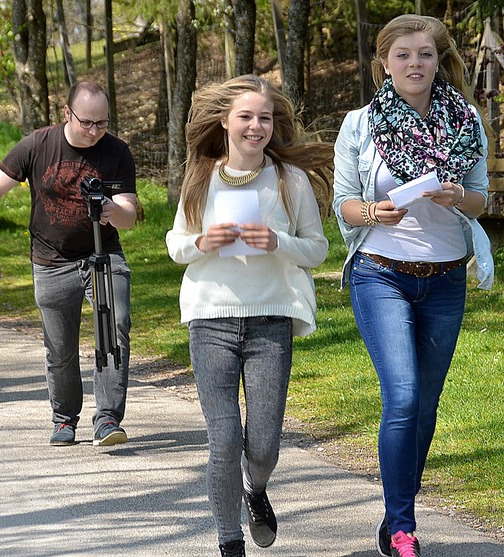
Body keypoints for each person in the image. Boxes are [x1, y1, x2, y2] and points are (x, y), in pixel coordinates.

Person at [332, 14, 494, 557]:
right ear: (385, 63)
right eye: (402, 55)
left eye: (424, 54)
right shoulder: (361, 124)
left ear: (437, 59)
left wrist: (457, 198)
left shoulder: (466, 120)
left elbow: (481, 199)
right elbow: (345, 205)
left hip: (446, 279)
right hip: (381, 273)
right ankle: (402, 525)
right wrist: (372, 213)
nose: (414, 64)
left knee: (425, 405)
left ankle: (397, 507)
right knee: (401, 396)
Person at [166, 74, 332, 557]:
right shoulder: (202, 176)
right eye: (246, 116)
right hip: (210, 317)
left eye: (264, 118)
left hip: (269, 322)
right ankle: (229, 542)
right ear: (225, 121)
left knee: (262, 447)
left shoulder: (289, 180)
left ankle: (255, 490)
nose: (256, 126)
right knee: (224, 437)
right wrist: (202, 243)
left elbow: (317, 249)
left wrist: (278, 242)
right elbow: (176, 244)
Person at [0, 81, 137, 448]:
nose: (95, 131)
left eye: (102, 123)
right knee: (60, 347)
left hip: (103, 256)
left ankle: (108, 419)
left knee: (115, 327)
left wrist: (114, 210)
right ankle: (65, 420)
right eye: (87, 122)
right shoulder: (37, 145)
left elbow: (130, 213)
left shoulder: (117, 152)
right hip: (51, 261)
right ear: (67, 114)